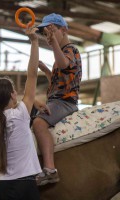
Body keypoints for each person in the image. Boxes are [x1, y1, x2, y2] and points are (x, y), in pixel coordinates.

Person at [0, 26, 41, 200]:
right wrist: (34, 41)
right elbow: (32, 75)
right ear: (12, 94)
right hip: (25, 186)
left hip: (2, 187)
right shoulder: (21, 114)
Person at [32, 13, 82, 186]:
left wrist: (53, 43)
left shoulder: (71, 50)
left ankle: (50, 169)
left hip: (65, 102)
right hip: (56, 99)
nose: (48, 36)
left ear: (64, 30)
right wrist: (46, 69)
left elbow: (63, 64)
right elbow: (57, 78)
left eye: (52, 30)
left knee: (38, 123)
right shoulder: (61, 54)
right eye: (46, 33)